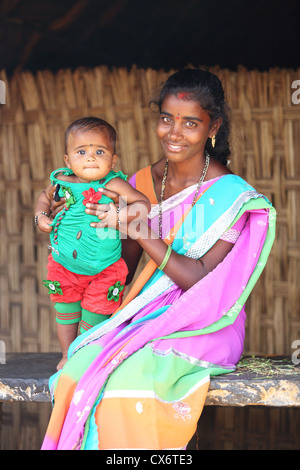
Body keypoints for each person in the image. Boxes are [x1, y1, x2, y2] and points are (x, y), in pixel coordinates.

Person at [41, 68, 276, 450]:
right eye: (166, 119)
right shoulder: (136, 184)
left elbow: (196, 281)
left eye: (190, 123)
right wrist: (72, 233)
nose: (174, 132)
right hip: (139, 315)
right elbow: (123, 268)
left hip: (202, 324)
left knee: (129, 385)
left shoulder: (233, 197)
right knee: (76, 373)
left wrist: (137, 227)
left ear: (212, 126)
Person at [35, 117, 150, 369]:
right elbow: (44, 197)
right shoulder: (62, 182)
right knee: (65, 311)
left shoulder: (112, 183)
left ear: (113, 160)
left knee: (94, 314)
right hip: (63, 264)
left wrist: (117, 216)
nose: (90, 158)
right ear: (67, 160)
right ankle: (67, 354)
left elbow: (143, 206)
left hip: (104, 270)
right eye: (81, 152)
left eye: (99, 151)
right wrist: (41, 215)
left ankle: (84, 356)